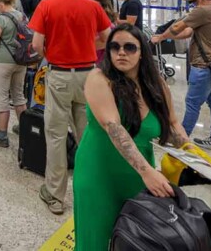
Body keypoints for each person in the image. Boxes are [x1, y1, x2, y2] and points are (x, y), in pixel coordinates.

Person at [75, 24, 191, 249]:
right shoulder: (99, 78)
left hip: (137, 174)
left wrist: (192, 154)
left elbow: (173, 124)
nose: (121, 52)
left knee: (134, 239)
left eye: (130, 47)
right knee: (96, 241)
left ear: (142, 52)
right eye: (115, 47)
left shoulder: (155, 84)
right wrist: (147, 172)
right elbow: (113, 127)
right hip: (99, 172)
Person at [29, 0, 112, 214]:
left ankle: (55, 195)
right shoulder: (92, 6)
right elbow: (107, 36)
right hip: (88, 75)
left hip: (60, 74)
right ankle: (95, 189)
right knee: (88, 134)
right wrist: (87, 44)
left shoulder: (47, 5)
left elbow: (37, 44)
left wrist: (53, 54)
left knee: (55, 135)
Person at [152, 0, 211, 154]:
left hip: (203, 65)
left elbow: (178, 26)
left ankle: (181, 140)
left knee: (192, 103)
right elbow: (187, 31)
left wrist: (160, 37)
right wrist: (169, 37)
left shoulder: (202, 10)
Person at [0, 0, 28, 148]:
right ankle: (24, 127)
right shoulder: (21, 16)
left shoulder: (1, 19)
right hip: (21, 60)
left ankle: (2, 134)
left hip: (3, 61)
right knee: (18, 95)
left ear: (1, 4)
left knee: (2, 97)